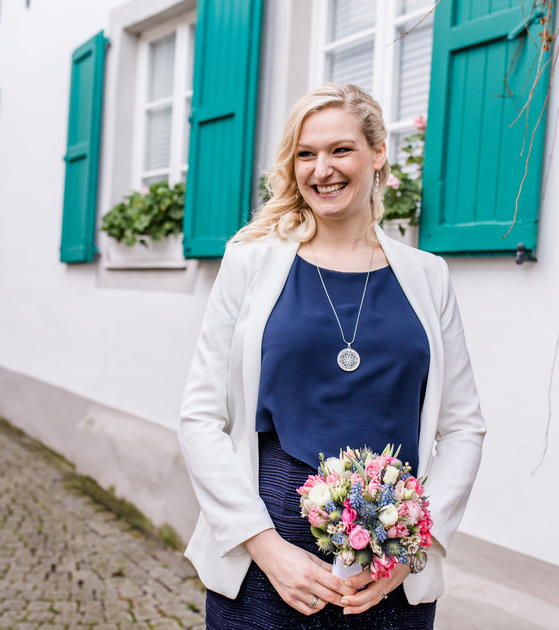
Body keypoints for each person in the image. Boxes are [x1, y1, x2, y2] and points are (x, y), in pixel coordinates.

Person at [178, 83, 485, 629]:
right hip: (267, 565)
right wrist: (266, 549)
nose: (323, 169)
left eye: (340, 149)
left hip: (388, 570)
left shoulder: (427, 275)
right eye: (306, 154)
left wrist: (412, 549)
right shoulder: (250, 262)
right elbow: (200, 418)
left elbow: (463, 427)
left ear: (378, 152)